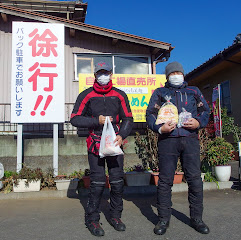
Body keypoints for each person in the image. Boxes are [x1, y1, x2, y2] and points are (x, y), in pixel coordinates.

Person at [146, 62, 210, 235]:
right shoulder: (160, 93)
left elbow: (205, 111)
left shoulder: (194, 91)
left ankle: (197, 218)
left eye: (178, 72)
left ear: (183, 74)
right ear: (167, 76)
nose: (176, 75)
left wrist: (198, 122)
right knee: (165, 181)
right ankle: (163, 219)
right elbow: (150, 113)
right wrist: (159, 128)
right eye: (172, 73)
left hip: (190, 140)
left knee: (195, 179)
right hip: (167, 140)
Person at [70, 62, 133, 237]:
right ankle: (92, 219)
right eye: (100, 73)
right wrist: (95, 121)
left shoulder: (120, 95)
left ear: (111, 74)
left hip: (115, 143)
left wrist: (123, 135)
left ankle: (115, 216)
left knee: (117, 182)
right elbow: (75, 118)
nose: (103, 76)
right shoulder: (86, 95)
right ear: (95, 75)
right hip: (95, 143)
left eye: (106, 72)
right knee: (97, 183)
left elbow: (128, 118)